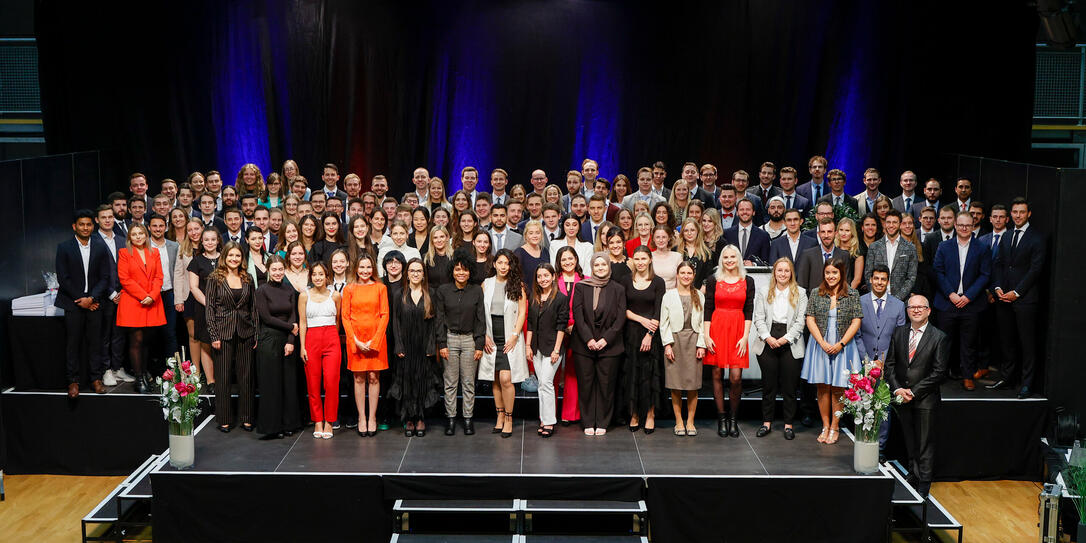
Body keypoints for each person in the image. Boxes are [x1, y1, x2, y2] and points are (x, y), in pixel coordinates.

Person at [885, 294, 949, 497]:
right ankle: (913, 474)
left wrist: (914, 391)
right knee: (910, 441)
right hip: (902, 397)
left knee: (925, 445)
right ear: (907, 311)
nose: (916, 310)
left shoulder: (939, 337)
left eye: (921, 307)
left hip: (925, 400)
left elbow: (939, 373)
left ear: (929, 311)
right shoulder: (899, 333)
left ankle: (924, 484)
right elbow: (890, 365)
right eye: (912, 307)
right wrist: (897, 389)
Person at [801, 257, 863, 445]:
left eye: (834, 272)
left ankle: (835, 426)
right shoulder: (815, 293)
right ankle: (825, 426)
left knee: (838, 388)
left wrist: (841, 344)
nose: (830, 276)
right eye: (827, 272)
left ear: (841, 273)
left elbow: (856, 320)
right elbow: (809, 318)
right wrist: (822, 342)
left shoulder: (852, 294)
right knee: (822, 387)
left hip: (843, 345)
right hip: (820, 344)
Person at [989, 199, 1045, 398]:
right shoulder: (1007, 236)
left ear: (1029, 214)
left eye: (1022, 212)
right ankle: (1007, 378)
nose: (1018, 215)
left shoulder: (1037, 238)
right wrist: (998, 288)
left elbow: (1035, 270)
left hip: (1025, 299)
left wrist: (1017, 292)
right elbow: (998, 264)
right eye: (1015, 212)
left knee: (1027, 343)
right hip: (1003, 298)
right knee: (1007, 341)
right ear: (1010, 214)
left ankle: (1026, 384)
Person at [56, 209, 112, 397]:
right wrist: (82, 300)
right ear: (74, 226)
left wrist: (91, 299)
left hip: (94, 303)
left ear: (93, 226)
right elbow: (64, 279)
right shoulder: (64, 247)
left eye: (88, 224)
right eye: (82, 224)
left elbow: (105, 277)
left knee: (95, 343)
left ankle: (96, 379)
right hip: (73, 303)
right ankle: (73, 382)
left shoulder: (100, 246)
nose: (85, 227)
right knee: (73, 344)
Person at [750, 257, 807, 440]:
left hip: (790, 340)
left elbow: (800, 321)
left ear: (791, 273)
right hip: (768, 338)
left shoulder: (800, 292)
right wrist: (768, 337)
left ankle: (788, 424)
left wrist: (784, 339)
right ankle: (766, 423)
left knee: (789, 387)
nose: (783, 274)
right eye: (779, 270)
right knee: (769, 386)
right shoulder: (764, 291)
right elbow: (758, 317)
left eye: (786, 271)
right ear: (774, 272)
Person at [933, 212, 991, 391]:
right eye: (961, 225)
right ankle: (939, 376)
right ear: (955, 226)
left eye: (968, 225)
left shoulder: (982, 248)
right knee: (943, 342)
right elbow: (938, 271)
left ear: (973, 226)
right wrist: (951, 294)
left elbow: (985, 275)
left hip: (971, 304)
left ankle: (968, 376)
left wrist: (968, 296)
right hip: (947, 302)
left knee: (969, 342)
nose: (964, 228)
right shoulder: (944, 246)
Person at [572, 252, 627, 436]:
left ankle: (603, 422)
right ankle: (588, 421)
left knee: (606, 385)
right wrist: (589, 339)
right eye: (597, 265)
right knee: (586, 384)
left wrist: (604, 339)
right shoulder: (581, 287)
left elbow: (620, 319)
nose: (601, 268)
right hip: (583, 344)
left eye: (604, 265)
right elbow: (578, 316)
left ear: (609, 266)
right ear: (592, 267)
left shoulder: (618, 289)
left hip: (609, 345)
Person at [205, 241, 258, 432]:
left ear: (242, 258)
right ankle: (224, 419)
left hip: (245, 332)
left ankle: (247, 417)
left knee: (246, 377)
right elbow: (209, 309)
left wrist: (256, 333)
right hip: (222, 334)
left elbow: (253, 308)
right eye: (231, 256)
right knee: (224, 377)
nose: (234, 259)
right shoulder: (214, 278)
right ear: (224, 257)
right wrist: (213, 335)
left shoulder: (248, 278)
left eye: (237, 256)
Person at [703, 245, 755, 438]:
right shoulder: (713, 280)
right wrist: (707, 335)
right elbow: (708, 307)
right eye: (726, 257)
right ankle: (722, 418)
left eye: (733, 256)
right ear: (721, 260)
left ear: (739, 258)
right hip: (716, 328)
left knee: (735, 377)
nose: (729, 260)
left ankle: (734, 418)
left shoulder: (747, 281)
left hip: (738, 331)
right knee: (716, 374)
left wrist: (745, 337)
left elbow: (748, 309)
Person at [857, 264, 907, 455]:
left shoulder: (898, 305)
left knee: (884, 407)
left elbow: (900, 337)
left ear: (888, 282)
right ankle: (863, 444)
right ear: (870, 280)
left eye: (883, 279)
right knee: (862, 406)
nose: (879, 282)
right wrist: (868, 362)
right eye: (876, 278)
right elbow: (857, 335)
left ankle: (881, 450)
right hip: (864, 365)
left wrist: (883, 362)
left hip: (888, 367)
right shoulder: (860, 302)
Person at [391, 258, 443, 437]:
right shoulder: (400, 294)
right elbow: (395, 322)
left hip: (423, 346)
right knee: (407, 382)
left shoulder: (431, 294)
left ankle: (420, 418)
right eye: (412, 270)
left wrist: (431, 345)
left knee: (422, 381)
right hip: (406, 346)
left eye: (418, 271)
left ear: (423, 274)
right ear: (407, 273)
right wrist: (398, 344)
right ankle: (409, 418)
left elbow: (435, 322)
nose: (415, 274)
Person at [435, 255, 486, 436]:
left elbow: (481, 318)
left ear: (470, 271)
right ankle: (450, 419)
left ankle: (467, 419)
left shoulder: (476, 291)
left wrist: (479, 344)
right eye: (457, 269)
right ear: (452, 271)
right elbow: (439, 319)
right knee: (450, 383)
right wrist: (441, 343)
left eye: (464, 269)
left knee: (468, 382)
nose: (461, 273)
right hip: (449, 339)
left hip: (470, 340)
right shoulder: (443, 291)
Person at [480, 249, 529, 437]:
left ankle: (509, 418)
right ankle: (499, 416)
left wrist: (515, 335)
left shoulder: (517, 285)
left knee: (506, 379)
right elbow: (480, 311)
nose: (503, 266)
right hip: (492, 334)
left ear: (511, 266)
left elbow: (522, 311)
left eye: (507, 263)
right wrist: (484, 334)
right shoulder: (487, 284)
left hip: (510, 334)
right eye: (500, 263)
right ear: (494, 264)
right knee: (495, 378)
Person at [341, 253, 390, 437]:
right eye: (361, 267)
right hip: (356, 340)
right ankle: (362, 417)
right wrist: (355, 340)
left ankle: (372, 418)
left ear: (373, 269)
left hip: (375, 340)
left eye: (368, 267)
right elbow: (345, 317)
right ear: (356, 269)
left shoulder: (380, 288)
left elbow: (384, 315)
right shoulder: (349, 289)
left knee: (373, 377)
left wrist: (374, 341)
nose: (365, 270)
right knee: (359, 378)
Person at [254, 255, 301, 439]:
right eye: (274, 269)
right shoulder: (262, 290)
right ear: (268, 270)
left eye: (280, 269)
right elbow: (266, 318)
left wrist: (291, 340)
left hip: (287, 341)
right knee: (271, 385)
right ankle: (273, 427)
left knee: (288, 383)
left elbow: (293, 316)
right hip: (269, 339)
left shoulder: (289, 290)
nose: (278, 272)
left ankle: (289, 424)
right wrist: (291, 328)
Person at [658, 260, 706, 436]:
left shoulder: (699, 296)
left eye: (689, 273)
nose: (686, 276)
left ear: (693, 276)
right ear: (677, 275)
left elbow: (702, 323)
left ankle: (690, 421)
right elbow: (664, 323)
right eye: (682, 273)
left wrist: (702, 344)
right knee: (675, 384)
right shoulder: (668, 296)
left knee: (693, 384)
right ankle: (679, 421)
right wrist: (667, 345)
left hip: (693, 342)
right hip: (675, 341)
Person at [622, 246, 666, 433]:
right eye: (637, 259)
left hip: (652, 335)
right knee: (632, 374)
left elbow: (659, 310)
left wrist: (649, 334)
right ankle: (634, 414)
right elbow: (622, 309)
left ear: (649, 260)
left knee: (650, 376)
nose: (640, 262)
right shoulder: (625, 280)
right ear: (633, 260)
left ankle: (650, 414)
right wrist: (642, 320)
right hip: (631, 332)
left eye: (643, 259)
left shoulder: (658, 282)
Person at [298, 262, 343, 439]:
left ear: (327, 276)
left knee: (331, 382)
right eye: (314, 274)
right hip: (311, 340)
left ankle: (329, 421)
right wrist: (302, 346)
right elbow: (302, 322)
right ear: (311, 277)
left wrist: (333, 338)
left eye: (321, 274)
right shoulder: (304, 296)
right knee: (313, 382)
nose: (318, 277)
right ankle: (317, 420)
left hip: (331, 338)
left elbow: (338, 320)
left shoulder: (336, 295)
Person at [526, 264, 569, 438]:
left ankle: (549, 421)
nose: (542, 279)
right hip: (536, 347)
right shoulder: (535, 296)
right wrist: (528, 345)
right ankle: (544, 418)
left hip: (553, 347)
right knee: (541, 384)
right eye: (539, 276)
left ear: (553, 277)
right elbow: (530, 322)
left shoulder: (560, 298)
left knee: (546, 383)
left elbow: (561, 326)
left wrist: (557, 350)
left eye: (546, 275)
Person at [95, 205, 132, 387]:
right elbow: (95, 272)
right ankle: (106, 370)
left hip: (124, 294)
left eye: (110, 217)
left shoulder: (122, 239)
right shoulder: (93, 241)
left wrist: (123, 291)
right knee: (105, 335)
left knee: (120, 334)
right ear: (97, 220)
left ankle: (118, 368)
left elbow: (128, 269)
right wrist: (111, 293)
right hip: (104, 296)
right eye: (104, 217)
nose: (108, 220)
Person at [185, 227, 220, 391]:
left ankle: (223, 378)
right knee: (206, 343)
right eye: (206, 240)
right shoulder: (196, 261)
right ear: (202, 242)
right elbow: (194, 287)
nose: (210, 242)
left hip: (226, 309)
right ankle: (211, 381)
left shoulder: (227, 259)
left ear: (218, 241)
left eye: (213, 239)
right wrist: (210, 304)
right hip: (204, 307)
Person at [863, 209, 918, 300]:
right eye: (888, 222)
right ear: (884, 224)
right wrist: (876, 296)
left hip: (900, 301)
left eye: (895, 222)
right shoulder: (874, 247)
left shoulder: (910, 248)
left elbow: (911, 278)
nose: (891, 225)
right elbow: (868, 274)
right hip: (876, 299)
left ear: (900, 225)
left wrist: (897, 299)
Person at [147, 214, 180, 365]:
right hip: (150, 296)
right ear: (149, 227)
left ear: (166, 227)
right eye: (154, 226)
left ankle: (172, 371)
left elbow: (178, 272)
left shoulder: (174, 246)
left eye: (161, 226)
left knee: (170, 333)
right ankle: (154, 370)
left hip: (169, 294)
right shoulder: (143, 246)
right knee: (151, 334)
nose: (158, 229)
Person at [796, 219, 849, 292]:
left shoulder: (844, 255)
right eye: (823, 232)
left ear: (836, 233)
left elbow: (846, 283)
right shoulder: (808, 255)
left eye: (829, 232)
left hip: (838, 301)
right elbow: (802, 285)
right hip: (813, 301)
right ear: (818, 234)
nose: (826, 235)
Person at [720, 198, 771, 265]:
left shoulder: (763, 235)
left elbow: (766, 262)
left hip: (755, 275)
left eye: (748, 209)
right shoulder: (727, 234)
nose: (745, 212)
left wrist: (754, 264)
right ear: (737, 213)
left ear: (753, 212)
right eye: (741, 209)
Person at [676, 217, 713, 289]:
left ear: (697, 231)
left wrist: (704, 286)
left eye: (692, 230)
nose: (689, 233)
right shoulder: (676, 250)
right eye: (686, 230)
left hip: (699, 291)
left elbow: (709, 274)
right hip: (679, 291)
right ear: (682, 233)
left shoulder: (706, 252)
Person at [514, 221, 548, 289]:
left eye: (537, 233)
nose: (535, 236)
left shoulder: (545, 251)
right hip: (526, 295)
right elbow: (515, 278)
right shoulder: (519, 253)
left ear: (541, 235)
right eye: (531, 233)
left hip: (544, 293)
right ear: (526, 235)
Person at [836, 218, 865, 290]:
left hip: (850, 292)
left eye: (847, 230)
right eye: (841, 230)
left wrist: (846, 295)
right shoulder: (833, 248)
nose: (843, 233)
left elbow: (857, 280)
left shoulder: (857, 252)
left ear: (852, 232)